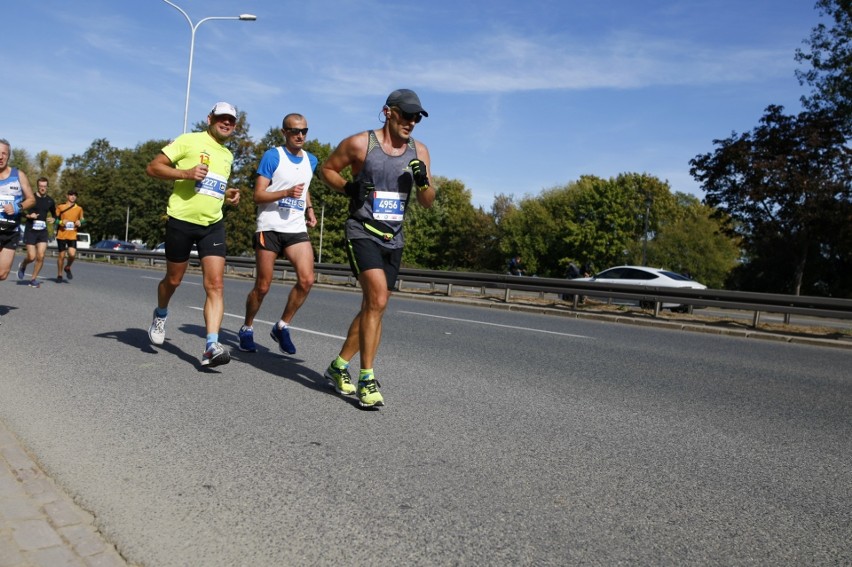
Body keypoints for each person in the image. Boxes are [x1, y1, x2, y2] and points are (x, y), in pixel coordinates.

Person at [319, 89, 435, 408]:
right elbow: (326, 169)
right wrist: (348, 188)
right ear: (388, 112)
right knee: (378, 299)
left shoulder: (419, 151)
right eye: (406, 114)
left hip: (394, 237)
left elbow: (427, 203)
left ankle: (337, 366)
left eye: (416, 117)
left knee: (375, 306)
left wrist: (423, 181)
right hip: (362, 230)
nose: (411, 122)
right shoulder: (360, 144)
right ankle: (366, 379)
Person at [145, 101, 242, 368]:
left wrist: (227, 193)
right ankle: (161, 314)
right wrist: (185, 173)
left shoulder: (227, 154)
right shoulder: (188, 140)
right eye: (222, 118)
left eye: (231, 120)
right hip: (181, 221)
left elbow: (211, 188)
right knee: (173, 281)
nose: (226, 124)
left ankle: (211, 345)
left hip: (213, 224)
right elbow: (153, 168)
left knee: (216, 285)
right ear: (210, 118)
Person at [238, 113, 318, 355]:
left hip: (295, 228)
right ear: (284, 132)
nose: (300, 135)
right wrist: (285, 193)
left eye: (304, 130)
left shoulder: (311, 160)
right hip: (270, 227)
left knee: (307, 280)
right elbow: (258, 195)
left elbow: (303, 189)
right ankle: (247, 328)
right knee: (263, 286)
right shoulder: (273, 156)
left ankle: (282, 326)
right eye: (295, 131)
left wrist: (310, 210)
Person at [0, 139, 35, 281]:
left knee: (2, 274)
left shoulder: (18, 175)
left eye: (4, 153)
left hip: (11, 230)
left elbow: (31, 199)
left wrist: (17, 207)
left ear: (8, 156)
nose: (0, 157)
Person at [17, 177, 56, 287]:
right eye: (41, 186)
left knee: (41, 256)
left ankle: (33, 279)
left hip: (42, 231)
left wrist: (53, 219)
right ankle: (24, 264)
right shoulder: (31, 198)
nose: (42, 188)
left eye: (44, 186)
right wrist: (28, 215)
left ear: (47, 187)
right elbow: (19, 210)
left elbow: (55, 214)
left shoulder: (50, 201)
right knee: (31, 257)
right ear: (38, 186)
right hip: (30, 230)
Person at [54, 189, 85, 282]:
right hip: (62, 234)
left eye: (75, 195)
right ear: (67, 196)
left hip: (72, 235)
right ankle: (59, 275)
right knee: (62, 256)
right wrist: (60, 221)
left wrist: (80, 222)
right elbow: (54, 219)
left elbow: (83, 219)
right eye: (71, 195)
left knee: (72, 254)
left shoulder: (79, 208)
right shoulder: (60, 207)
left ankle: (67, 267)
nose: (73, 196)